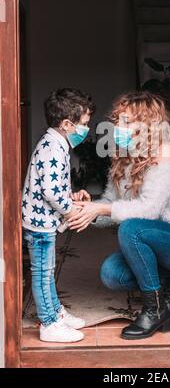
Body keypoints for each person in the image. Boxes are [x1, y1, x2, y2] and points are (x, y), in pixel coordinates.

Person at [68, 91, 170, 340]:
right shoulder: (123, 159)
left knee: (131, 229)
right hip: (155, 244)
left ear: (147, 125)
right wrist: (89, 207)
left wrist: (102, 209)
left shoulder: (166, 153)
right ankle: (169, 290)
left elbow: (149, 210)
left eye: (126, 122)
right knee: (111, 274)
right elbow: (111, 205)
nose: (118, 127)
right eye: (117, 121)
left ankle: (154, 310)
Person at [22, 88, 95, 343]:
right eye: (84, 124)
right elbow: (52, 193)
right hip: (39, 225)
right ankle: (48, 323)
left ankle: (56, 313)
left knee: (48, 271)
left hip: (44, 221)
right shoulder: (52, 147)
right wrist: (71, 209)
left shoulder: (56, 143)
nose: (86, 129)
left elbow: (54, 186)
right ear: (67, 124)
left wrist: (71, 196)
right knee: (42, 272)